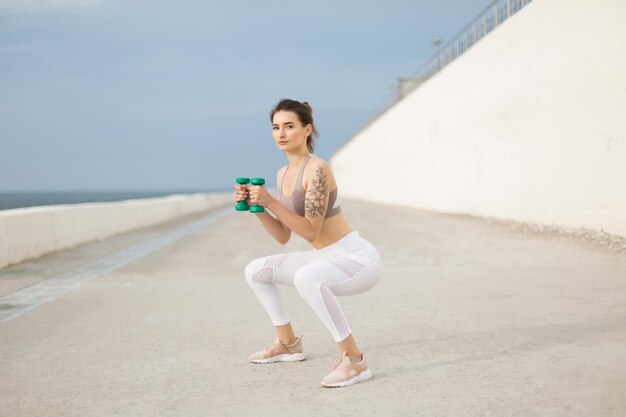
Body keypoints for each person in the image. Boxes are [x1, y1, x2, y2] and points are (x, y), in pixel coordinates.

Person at [235, 98, 381, 388]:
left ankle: (355, 360)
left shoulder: (317, 169)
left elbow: (311, 232)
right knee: (256, 270)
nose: (281, 133)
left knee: (306, 277)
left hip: (356, 260)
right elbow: (283, 235)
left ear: (307, 130)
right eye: (276, 127)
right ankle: (288, 344)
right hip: (324, 259)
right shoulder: (282, 173)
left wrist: (272, 201)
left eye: (289, 126)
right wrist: (258, 207)